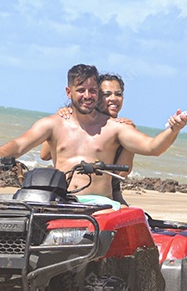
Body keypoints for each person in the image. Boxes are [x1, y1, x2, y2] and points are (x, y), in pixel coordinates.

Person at [0, 64, 187, 202]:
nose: (87, 96)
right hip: (58, 201)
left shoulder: (115, 127)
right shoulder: (54, 122)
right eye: (81, 90)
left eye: (92, 91)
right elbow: (20, 145)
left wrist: (174, 128)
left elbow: (152, 147)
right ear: (69, 92)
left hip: (99, 206)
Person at [40, 73, 134, 204]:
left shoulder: (123, 128)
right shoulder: (72, 119)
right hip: (64, 195)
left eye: (118, 94)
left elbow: (121, 173)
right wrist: (61, 122)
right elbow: (44, 155)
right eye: (106, 95)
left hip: (107, 196)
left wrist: (131, 140)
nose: (113, 99)